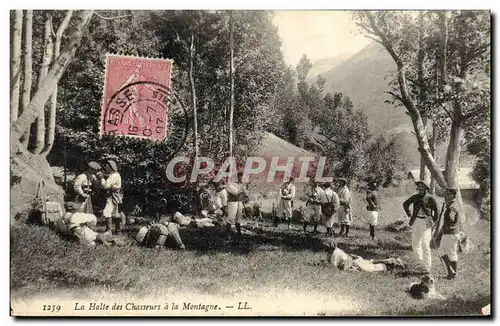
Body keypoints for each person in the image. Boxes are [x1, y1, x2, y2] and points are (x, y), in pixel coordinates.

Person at [403, 180, 439, 274]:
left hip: (426, 222)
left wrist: (434, 221)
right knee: (416, 244)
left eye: (422, 187)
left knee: (425, 244)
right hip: (416, 221)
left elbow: (437, 210)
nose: (420, 189)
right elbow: (405, 204)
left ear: (426, 188)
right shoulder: (415, 197)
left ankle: (427, 267)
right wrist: (409, 214)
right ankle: (419, 264)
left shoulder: (430, 198)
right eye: (419, 187)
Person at [320, 238, 405, 272]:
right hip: (355, 261)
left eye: (326, 246)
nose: (324, 248)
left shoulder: (335, 253)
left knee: (371, 267)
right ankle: (392, 262)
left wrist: (323, 264)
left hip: (354, 263)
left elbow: (333, 266)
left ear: (330, 247)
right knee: (370, 262)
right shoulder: (334, 252)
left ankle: (391, 265)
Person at [437, 188, 461, 280]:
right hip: (452, 233)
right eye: (445, 193)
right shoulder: (451, 205)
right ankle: (452, 273)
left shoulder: (452, 207)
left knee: (446, 252)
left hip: (450, 233)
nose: (445, 195)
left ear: (452, 195)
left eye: (447, 193)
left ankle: (452, 272)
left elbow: (451, 218)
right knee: (448, 252)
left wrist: (447, 226)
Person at [97, 160, 124, 234]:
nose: (105, 168)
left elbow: (106, 186)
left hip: (113, 196)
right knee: (116, 213)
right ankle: (118, 231)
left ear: (110, 167)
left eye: (106, 166)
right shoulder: (114, 174)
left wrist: (102, 178)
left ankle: (109, 230)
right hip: (115, 195)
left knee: (107, 211)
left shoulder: (113, 175)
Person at [224, 172, 247, 242]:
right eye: (240, 177)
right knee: (231, 218)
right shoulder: (230, 184)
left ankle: (239, 233)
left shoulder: (241, 184)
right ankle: (227, 234)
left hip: (239, 202)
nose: (242, 178)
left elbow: (245, 194)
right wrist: (242, 192)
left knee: (238, 218)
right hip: (232, 202)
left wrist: (243, 193)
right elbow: (237, 193)